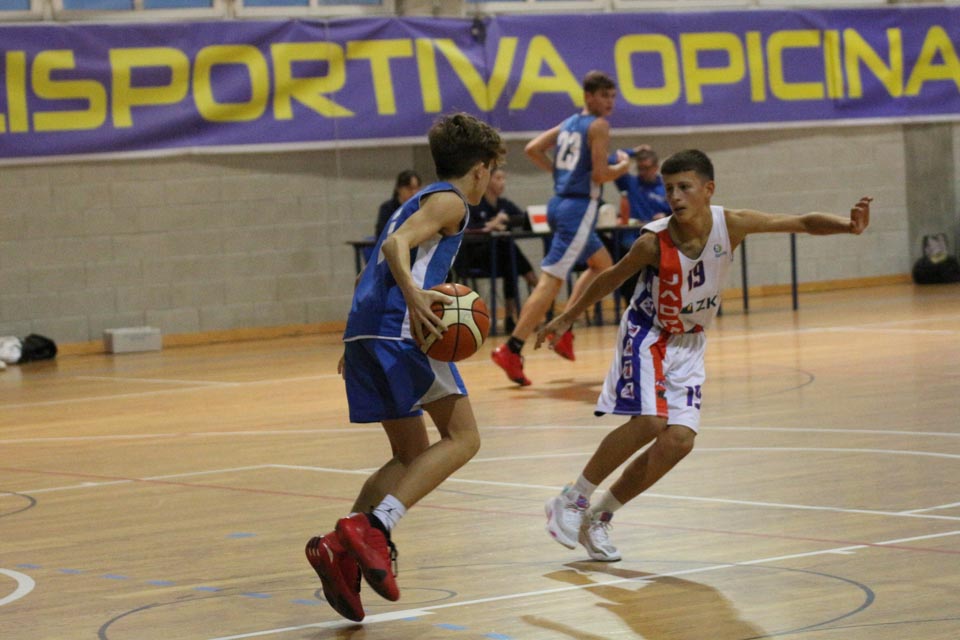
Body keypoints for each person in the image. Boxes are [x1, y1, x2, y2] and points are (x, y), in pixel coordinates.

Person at [536, 149, 871, 562]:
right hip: (648, 332)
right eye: (669, 189)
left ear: (708, 189)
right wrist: (565, 318)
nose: (675, 196)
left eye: (684, 187)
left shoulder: (732, 225)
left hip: (690, 340)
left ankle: (599, 517)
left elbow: (800, 222)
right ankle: (572, 499)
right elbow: (610, 278)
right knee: (651, 420)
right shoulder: (652, 242)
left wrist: (847, 226)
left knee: (678, 441)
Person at [305, 113, 504, 621]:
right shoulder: (451, 201)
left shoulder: (412, 203)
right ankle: (377, 526)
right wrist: (414, 296)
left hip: (368, 328)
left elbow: (369, 270)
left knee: (410, 453)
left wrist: (357, 337)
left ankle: (339, 548)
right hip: (404, 329)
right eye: (493, 170)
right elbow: (397, 247)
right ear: (480, 169)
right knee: (464, 438)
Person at [491, 70, 630, 386]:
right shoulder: (599, 125)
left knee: (603, 265)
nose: (609, 102)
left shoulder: (569, 123)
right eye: (604, 96)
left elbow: (532, 148)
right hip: (577, 209)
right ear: (588, 96)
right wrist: (622, 166)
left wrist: (559, 173)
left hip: (559, 204)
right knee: (550, 281)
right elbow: (599, 174)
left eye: (612, 96)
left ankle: (563, 326)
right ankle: (512, 348)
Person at [454, 167, 539, 333]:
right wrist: (490, 225)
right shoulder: (474, 204)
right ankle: (533, 281)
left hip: (500, 258)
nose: (502, 183)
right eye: (498, 178)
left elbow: (523, 219)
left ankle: (511, 317)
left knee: (509, 258)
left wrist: (508, 220)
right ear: (487, 180)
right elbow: (466, 229)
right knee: (508, 250)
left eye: (504, 179)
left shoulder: (504, 205)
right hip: (475, 257)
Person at [612, 144, 671, 300]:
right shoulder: (630, 182)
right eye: (640, 168)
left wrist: (666, 215)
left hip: (658, 239)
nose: (643, 172)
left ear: (656, 167)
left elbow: (679, 213)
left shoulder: (666, 187)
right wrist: (633, 151)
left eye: (646, 168)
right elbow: (610, 160)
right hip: (631, 239)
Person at [375, 169, 422, 238]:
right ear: (399, 188)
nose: (413, 192)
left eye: (416, 188)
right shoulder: (387, 208)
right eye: (409, 188)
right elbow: (381, 233)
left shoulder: (421, 208)